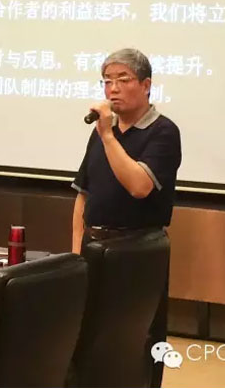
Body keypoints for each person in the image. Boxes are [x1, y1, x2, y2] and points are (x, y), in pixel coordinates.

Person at [71, 48, 182, 387]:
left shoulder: (163, 132)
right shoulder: (102, 133)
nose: (113, 88)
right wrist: (76, 255)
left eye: (123, 79)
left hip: (137, 253)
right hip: (95, 249)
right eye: (107, 81)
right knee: (89, 343)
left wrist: (108, 135)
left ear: (146, 85)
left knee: (135, 342)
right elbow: (83, 195)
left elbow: (139, 186)